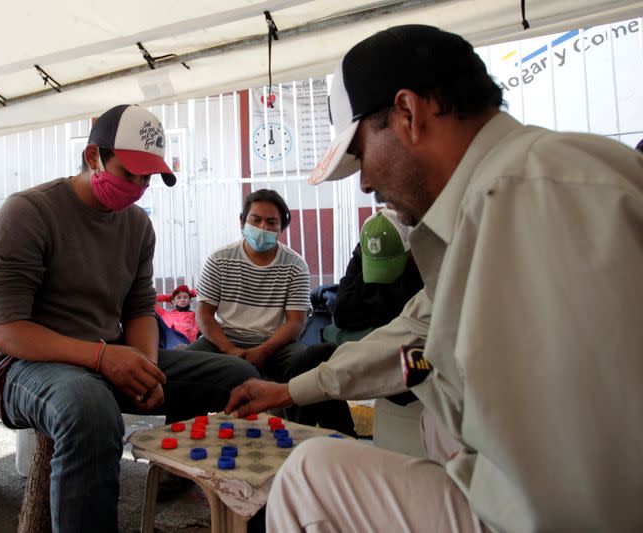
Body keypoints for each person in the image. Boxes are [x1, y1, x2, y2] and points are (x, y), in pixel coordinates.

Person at [226, 24, 643, 531]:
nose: (366, 181)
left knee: (310, 476)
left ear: (409, 113)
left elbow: (589, 480)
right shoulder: (497, 192)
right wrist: (291, 391)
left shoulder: (528, 194)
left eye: (361, 153)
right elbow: (412, 340)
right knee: (436, 424)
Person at [0, 104, 259, 532]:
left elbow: (139, 309)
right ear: (94, 156)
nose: (138, 187)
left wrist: (144, 363)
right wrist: (102, 358)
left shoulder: (137, 227)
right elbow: (8, 334)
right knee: (88, 409)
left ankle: (212, 498)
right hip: (27, 366)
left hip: (106, 352)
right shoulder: (28, 212)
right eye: (129, 173)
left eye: (147, 178)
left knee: (238, 378)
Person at [187, 188, 355, 436]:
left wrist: (263, 350)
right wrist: (230, 350)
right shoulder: (220, 259)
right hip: (223, 342)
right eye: (256, 219)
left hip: (277, 347)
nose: (263, 227)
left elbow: (295, 323)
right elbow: (204, 315)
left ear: (281, 228)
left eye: (271, 222)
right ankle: (176, 443)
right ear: (242, 221)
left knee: (312, 364)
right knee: (186, 366)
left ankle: (317, 436)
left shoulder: (295, 265)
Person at [323, 208, 423, 345]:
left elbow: (417, 318)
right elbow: (342, 315)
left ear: (410, 249)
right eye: (374, 261)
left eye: (388, 260)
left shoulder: (422, 262)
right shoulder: (360, 257)